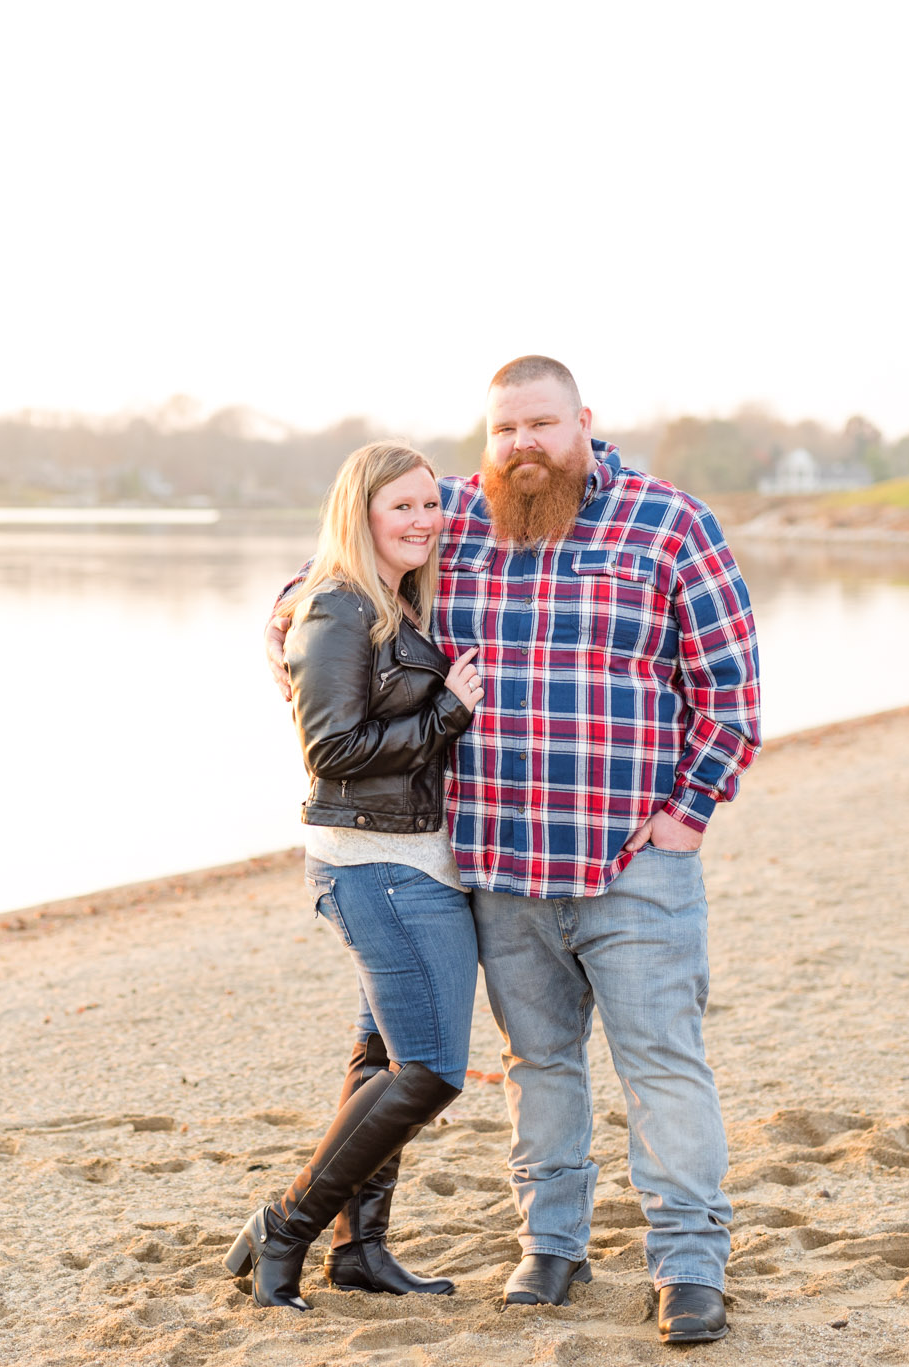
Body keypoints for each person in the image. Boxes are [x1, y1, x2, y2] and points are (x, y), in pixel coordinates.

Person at [265, 358, 760, 1345]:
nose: (521, 444)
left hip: (631, 866)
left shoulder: (666, 525)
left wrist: (684, 817)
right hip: (492, 867)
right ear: (484, 439)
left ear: (583, 422)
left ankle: (689, 1262)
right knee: (538, 1062)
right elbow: (329, 573)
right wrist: (290, 629)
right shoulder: (455, 514)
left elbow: (729, 697)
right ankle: (551, 1245)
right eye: (503, 430)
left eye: (540, 423)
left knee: (661, 1061)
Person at [224, 441, 487, 1311]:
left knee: (380, 1056)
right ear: (361, 512)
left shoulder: (393, 598)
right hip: (376, 863)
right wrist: (449, 711)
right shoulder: (337, 605)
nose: (421, 520)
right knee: (432, 1069)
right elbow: (329, 748)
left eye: (430, 505)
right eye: (400, 506)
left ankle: (361, 1249)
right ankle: (287, 1224)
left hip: (413, 856)